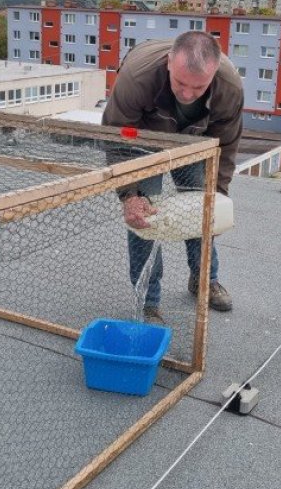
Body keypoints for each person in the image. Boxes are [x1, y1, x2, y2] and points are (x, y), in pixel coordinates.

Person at [103, 31, 244, 321]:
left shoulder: (229, 88)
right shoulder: (137, 79)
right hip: (141, 138)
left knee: (201, 208)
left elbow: (226, 147)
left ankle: (203, 279)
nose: (188, 93)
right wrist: (130, 194)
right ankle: (148, 302)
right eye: (180, 83)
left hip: (193, 141)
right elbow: (116, 138)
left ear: (214, 72)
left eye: (199, 87)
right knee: (146, 215)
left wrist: (217, 196)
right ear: (169, 62)